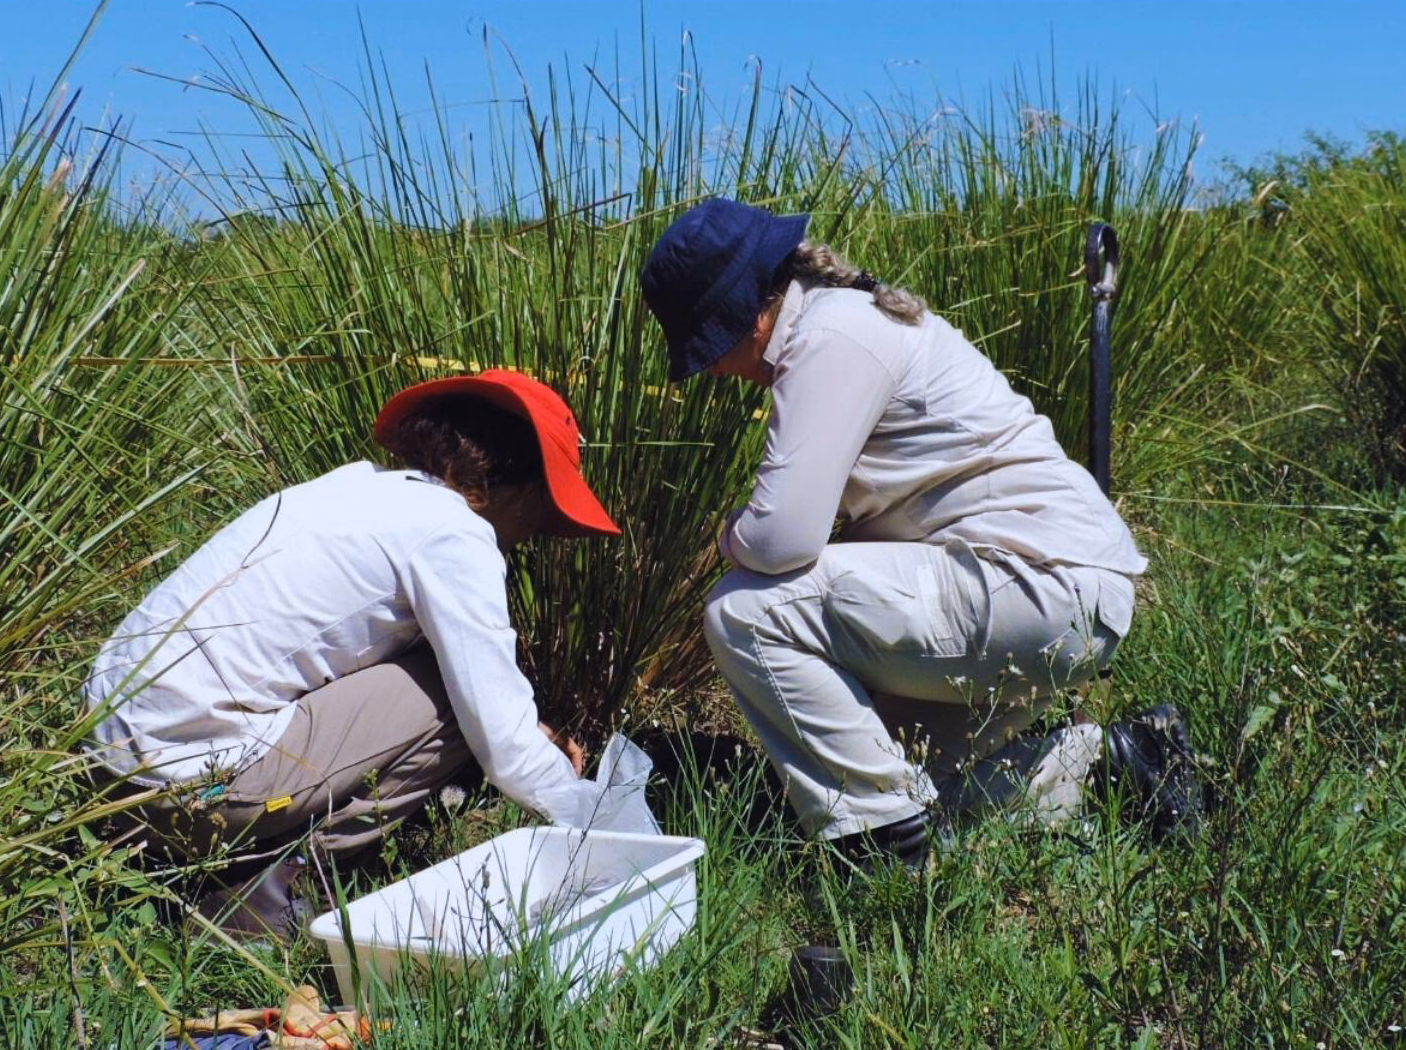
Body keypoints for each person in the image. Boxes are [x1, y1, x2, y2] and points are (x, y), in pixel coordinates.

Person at [640, 198, 1187, 871]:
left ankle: (880, 851)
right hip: (1046, 591)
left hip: (1036, 586)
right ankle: (1113, 763)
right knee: (915, 780)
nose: (715, 372)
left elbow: (782, 539)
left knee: (744, 611)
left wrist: (728, 536)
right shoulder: (839, 322)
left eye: (710, 351)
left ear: (750, 316)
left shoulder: (831, 339)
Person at [82, 370, 618, 939]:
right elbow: (501, 742)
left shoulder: (360, 489)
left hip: (106, 769)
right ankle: (269, 898)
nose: (532, 534)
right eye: (542, 513)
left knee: (451, 685)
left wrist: (522, 719)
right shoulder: (454, 536)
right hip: (187, 786)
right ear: (527, 489)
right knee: (452, 705)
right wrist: (590, 819)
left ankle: (219, 870)